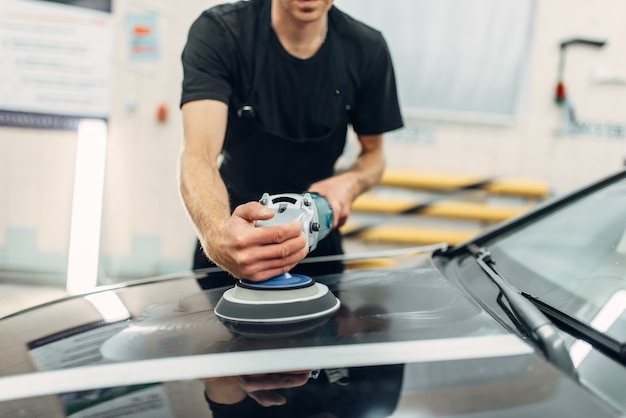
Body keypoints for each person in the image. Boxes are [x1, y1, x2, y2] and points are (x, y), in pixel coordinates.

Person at [179, 0, 403, 282]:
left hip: (317, 240)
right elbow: (198, 154)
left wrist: (351, 182)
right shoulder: (222, 33)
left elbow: (373, 157)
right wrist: (217, 236)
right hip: (234, 232)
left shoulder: (367, 49)